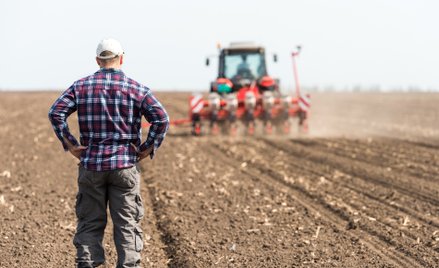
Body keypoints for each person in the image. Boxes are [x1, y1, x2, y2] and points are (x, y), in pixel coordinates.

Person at [48, 38, 169, 267]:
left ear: (97, 60)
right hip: (124, 166)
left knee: (90, 223)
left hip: (91, 166)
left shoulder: (80, 86)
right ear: (121, 58)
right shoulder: (137, 89)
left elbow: (56, 113)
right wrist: (146, 148)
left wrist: (72, 145)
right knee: (127, 225)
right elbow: (161, 119)